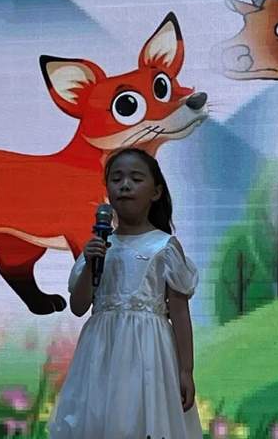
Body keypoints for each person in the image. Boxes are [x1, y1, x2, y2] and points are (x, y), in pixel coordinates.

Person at [48, 147, 203, 439]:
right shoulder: (99, 246)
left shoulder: (164, 246)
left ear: (155, 192)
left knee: (144, 418)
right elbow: (79, 306)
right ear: (107, 191)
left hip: (150, 350)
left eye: (136, 178)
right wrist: (90, 263)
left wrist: (186, 371)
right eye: (116, 179)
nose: (125, 185)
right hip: (102, 351)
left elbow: (180, 314)